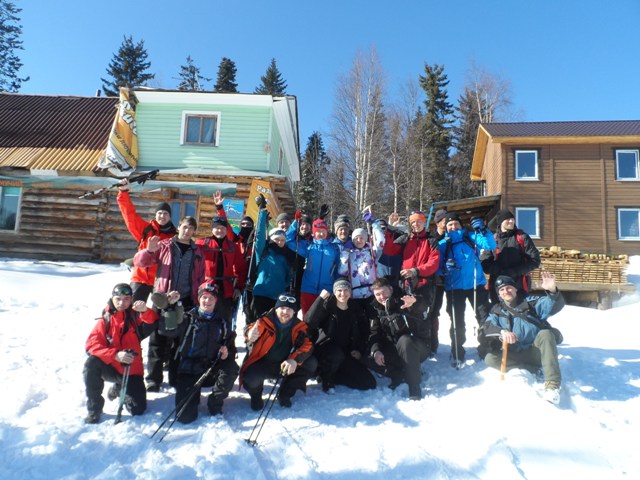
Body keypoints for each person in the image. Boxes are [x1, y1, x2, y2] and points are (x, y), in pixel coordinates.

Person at [134, 216, 206, 391]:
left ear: (194, 231)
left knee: (179, 343)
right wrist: (148, 251)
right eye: (184, 227)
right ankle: (154, 379)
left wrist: (199, 297)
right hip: (162, 299)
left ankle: (175, 377)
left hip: (185, 301)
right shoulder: (164, 246)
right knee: (157, 341)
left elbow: (201, 277)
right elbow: (140, 262)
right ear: (179, 227)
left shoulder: (197, 252)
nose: (187, 231)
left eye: (191, 228)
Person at [482, 272, 565, 404]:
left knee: (546, 334)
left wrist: (552, 291)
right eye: (502, 290)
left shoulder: (531, 302)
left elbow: (552, 305)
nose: (506, 291)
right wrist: (502, 331)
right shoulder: (496, 310)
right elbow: (487, 327)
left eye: (509, 287)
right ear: (499, 294)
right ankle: (530, 369)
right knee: (490, 358)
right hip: (514, 352)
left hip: (536, 352)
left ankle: (552, 386)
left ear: (515, 289)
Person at [83, 283, 159, 424]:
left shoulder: (136, 315)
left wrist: (145, 310)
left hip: (132, 370)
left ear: (131, 300)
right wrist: (115, 355)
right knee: (91, 364)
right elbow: (91, 345)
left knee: (138, 409)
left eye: (126, 299)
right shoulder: (105, 320)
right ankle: (94, 409)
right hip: (112, 367)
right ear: (112, 299)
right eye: (118, 299)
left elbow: (153, 321)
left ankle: (118, 388)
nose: (121, 303)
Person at [173, 282, 239, 423]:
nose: (207, 301)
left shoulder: (222, 323)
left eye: (211, 298)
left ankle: (215, 402)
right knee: (185, 417)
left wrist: (226, 353)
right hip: (189, 369)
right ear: (199, 299)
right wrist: (170, 307)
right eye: (204, 297)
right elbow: (167, 330)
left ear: (216, 300)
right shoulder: (187, 318)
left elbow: (230, 347)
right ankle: (193, 397)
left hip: (211, 368)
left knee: (231, 368)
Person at [240, 294, 317, 409]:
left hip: (285, 365)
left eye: (289, 309)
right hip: (263, 364)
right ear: (276, 309)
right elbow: (251, 329)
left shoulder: (300, 327)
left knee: (311, 363)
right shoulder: (264, 321)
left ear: (294, 311)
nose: (285, 312)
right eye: (282, 308)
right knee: (251, 378)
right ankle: (256, 396)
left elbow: (307, 346)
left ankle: (285, 393)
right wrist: (249, 333)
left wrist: (294, 360)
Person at [438, 212, 495, 367]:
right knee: (457, 320)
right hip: (454, 287)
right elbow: (437, 267)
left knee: (484, 317)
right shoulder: (443, 243)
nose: (453, 227)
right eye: (450, 225)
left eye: (456, 223)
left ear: (461, 225)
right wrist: (445, 268)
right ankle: (457, 350)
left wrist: (483, 230)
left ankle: (487, 347)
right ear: (446, 227)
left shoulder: (471, 237)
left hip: (476, 285)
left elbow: (490, 245)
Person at [383, 210, 440, 354]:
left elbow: (434, 263)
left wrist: (416, 271)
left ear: (424, 222)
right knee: (408, 315)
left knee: (424, 316)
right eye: (413, 222)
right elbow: (389, 250)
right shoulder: (406, 239)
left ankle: (428, 347)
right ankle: (412, 347)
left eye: (419, 221)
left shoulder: (431, 240)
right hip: (407, 284)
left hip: (424, 284)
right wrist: (390, 228)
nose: (416, 224)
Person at [305, 279, 376, 393]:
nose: (343, 293)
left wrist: (358, 350)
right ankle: (327, 380)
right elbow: (309, 321)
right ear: (334, 292)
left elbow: (363, 333)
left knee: (369, 383)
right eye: (339, 290)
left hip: (346, 353)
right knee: (336, 353)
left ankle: (333, 376)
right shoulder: (327, 306)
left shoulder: (355, 309)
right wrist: (320, 299)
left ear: (350, 292)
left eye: (346, 290)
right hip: (326, 351)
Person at [367, 277, 431, 400]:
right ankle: (400, 374)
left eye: (384, 292)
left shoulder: (403, 300)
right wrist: (376, 351)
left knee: (405, 341)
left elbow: (423, 307)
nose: (381, 297)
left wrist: (415, 301)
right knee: (368, 355)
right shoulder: (375, 308)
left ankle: (414, 387)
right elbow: (374, 333)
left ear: (390, 289)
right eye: (378, 294)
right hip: (395, 349)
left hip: (417, 347)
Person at [116, 178, 177, 301]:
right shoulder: (145, 230)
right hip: (141, 278)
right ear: (155, 215)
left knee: (159, 311)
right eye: (160, 213)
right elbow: (129, 215)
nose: (162, 216)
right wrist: (123, 193)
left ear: (170, 216)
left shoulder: (174, 236)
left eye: (166, 213)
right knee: (133, 308)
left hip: (161, 281)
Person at [249, 196, 296, 323]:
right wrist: (262, 211)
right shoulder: (264, 250)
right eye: (277, 239)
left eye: (282, 240)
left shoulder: (287, 256)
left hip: (278, 298)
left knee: (274, 327)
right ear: (271, 239)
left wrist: (292, 272)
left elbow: (288, 279)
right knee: (259, 325)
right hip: (261, 294)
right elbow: (259, 234)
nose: (279, 242)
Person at [481, 208, 541, 304]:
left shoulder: (522, 237)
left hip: (519, 284)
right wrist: (497, 270)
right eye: (507, 219)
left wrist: (515, 271)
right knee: (499, 311)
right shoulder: (493, 240)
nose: (511, 221)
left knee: (521, 310)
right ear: (500, 222)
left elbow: (535, 260)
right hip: (498, 286)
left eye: (512, 219)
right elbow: (484, 263)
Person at [196, 211, 247, 321]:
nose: (220, 230)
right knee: (204, 319)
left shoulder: (233, 247)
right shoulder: (201, 244)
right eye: (217, 228)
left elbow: (241, 269)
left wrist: (238, 287)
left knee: (224, 320)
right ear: (212, 229)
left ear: (226, 230)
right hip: (207, 289)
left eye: (223, 228)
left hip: (226, 291)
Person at [287, 216, 341, 314]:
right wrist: (296, 223)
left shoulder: (334, 248)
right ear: (314, 232)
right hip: (308, 288)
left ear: (327, 231)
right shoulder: (308, 246)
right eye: (318, 231)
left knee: (324, 319)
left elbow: (338, 269)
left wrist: (337, 287)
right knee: (307, 318)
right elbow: (289, 240)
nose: (321, 234)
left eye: (323, 231)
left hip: (327, 289)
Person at [338, 221, 385, 304]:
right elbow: (342, 272)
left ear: (365, 239)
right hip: (356, 293)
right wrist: (345, 252)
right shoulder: (349, 254)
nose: (359, 240)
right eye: (356, 238)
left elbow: (381, 242)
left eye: (361, 238)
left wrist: (375, 225)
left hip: (373, 292)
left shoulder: (371, 252)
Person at [427, 209, 448, 355]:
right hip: (434, 280)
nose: (447, 224)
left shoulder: (451, 236)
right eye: (445, 221)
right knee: (432, 312)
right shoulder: (431, 237)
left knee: (438, 312)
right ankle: (432, 343)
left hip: (449, 279)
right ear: (438, 222)